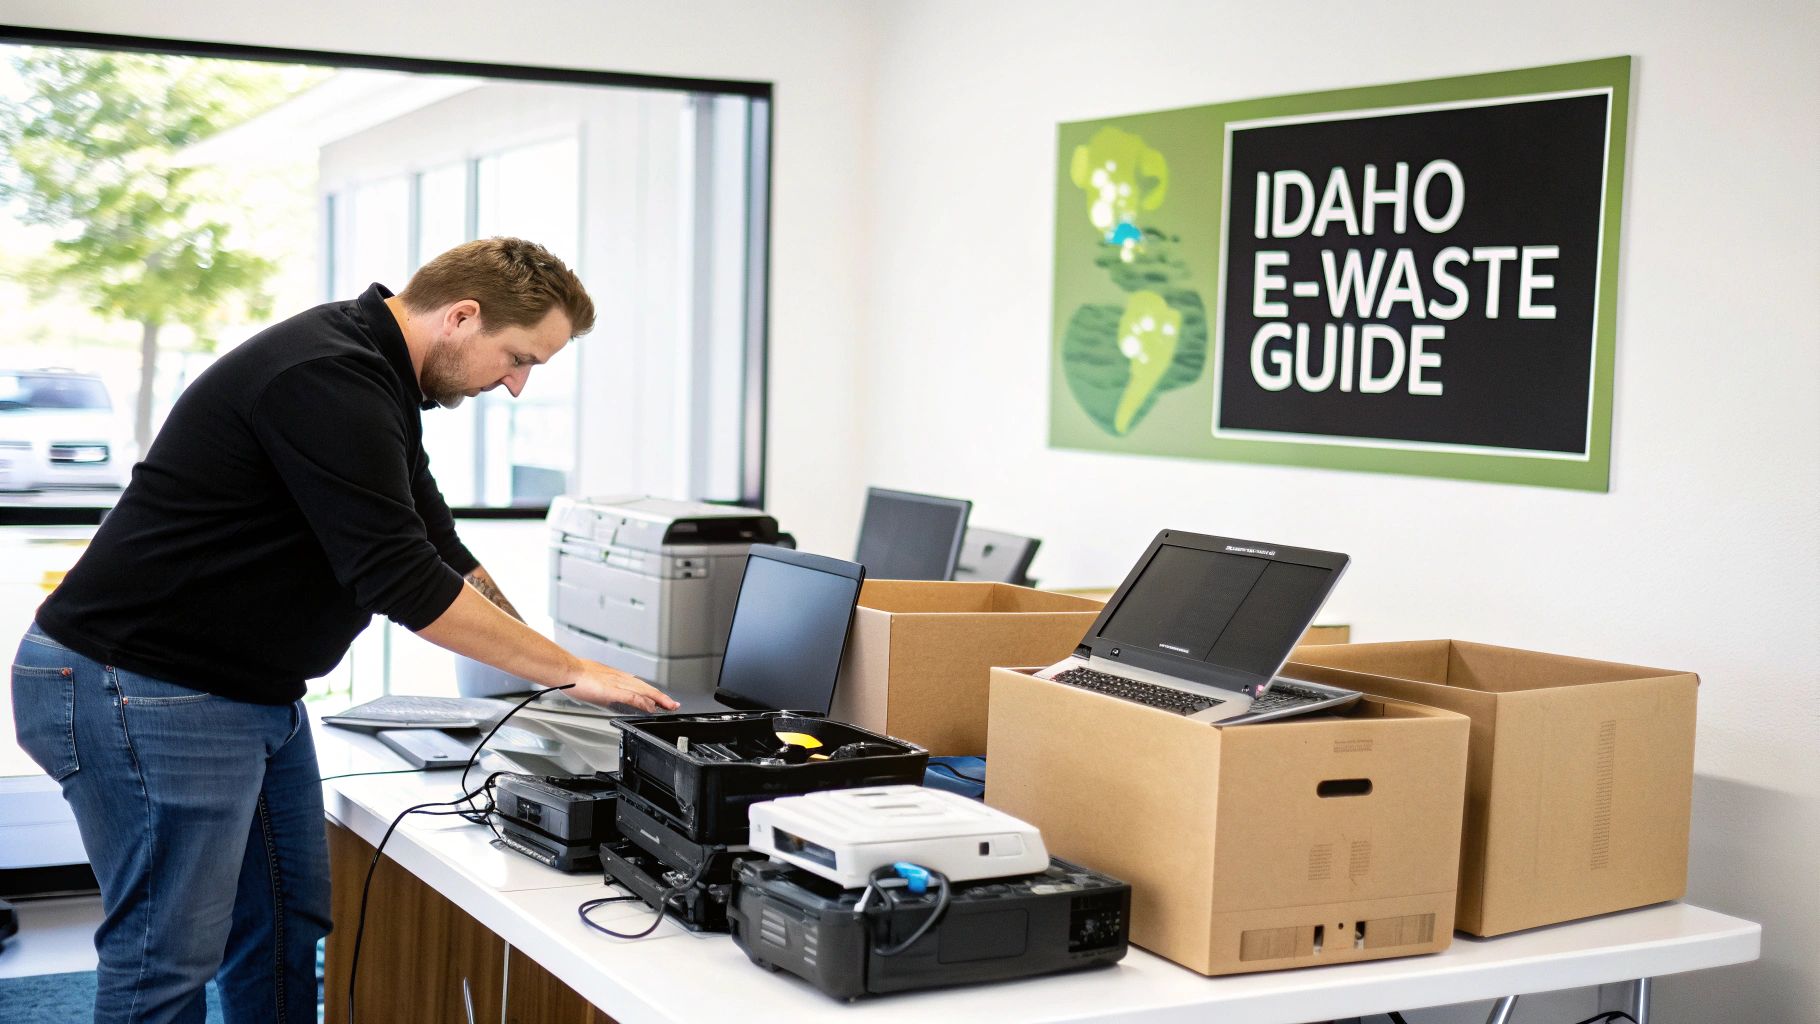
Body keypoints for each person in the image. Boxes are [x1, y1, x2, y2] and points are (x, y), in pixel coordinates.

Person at [9, 237, 677, 1024]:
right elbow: (399, 578)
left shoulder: (376, 376)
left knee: (287, 922)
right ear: (462, 316)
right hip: (144, 687)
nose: (518, 386)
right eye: (518, 357)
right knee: (166, 960)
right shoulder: (324, 374)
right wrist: (568, 670)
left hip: (239, 692)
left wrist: (559, 688)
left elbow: (441, 552)